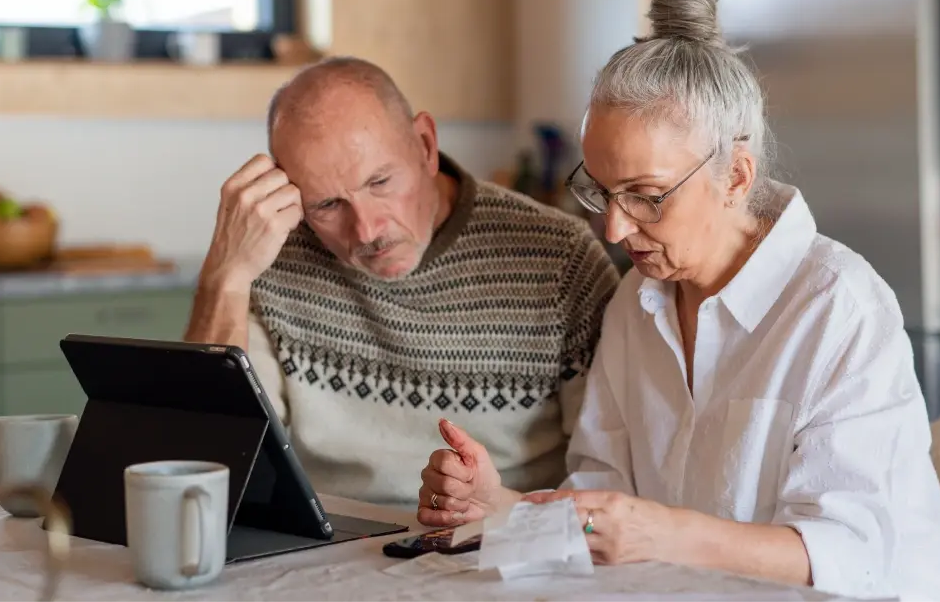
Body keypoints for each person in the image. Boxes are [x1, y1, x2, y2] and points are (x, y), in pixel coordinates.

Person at [415, 0, 940, 602]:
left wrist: (659, 534)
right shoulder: (635, 303)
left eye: (647, 196)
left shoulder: (838, 307)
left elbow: (852, 553)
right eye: (600, 191)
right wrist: (500, 505)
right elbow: (605, 512)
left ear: (736, 175)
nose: (616, 230)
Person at [184, 56, 621, 508]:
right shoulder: (272, 255)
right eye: (328, 205)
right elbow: (210, 465)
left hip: (501, 547)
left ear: (426, 145)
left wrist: (506, 509)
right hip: (326, 552)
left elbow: (610, 484)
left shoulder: (559, 258)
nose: (367, 231)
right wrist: (225, 276)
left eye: (380, 182)